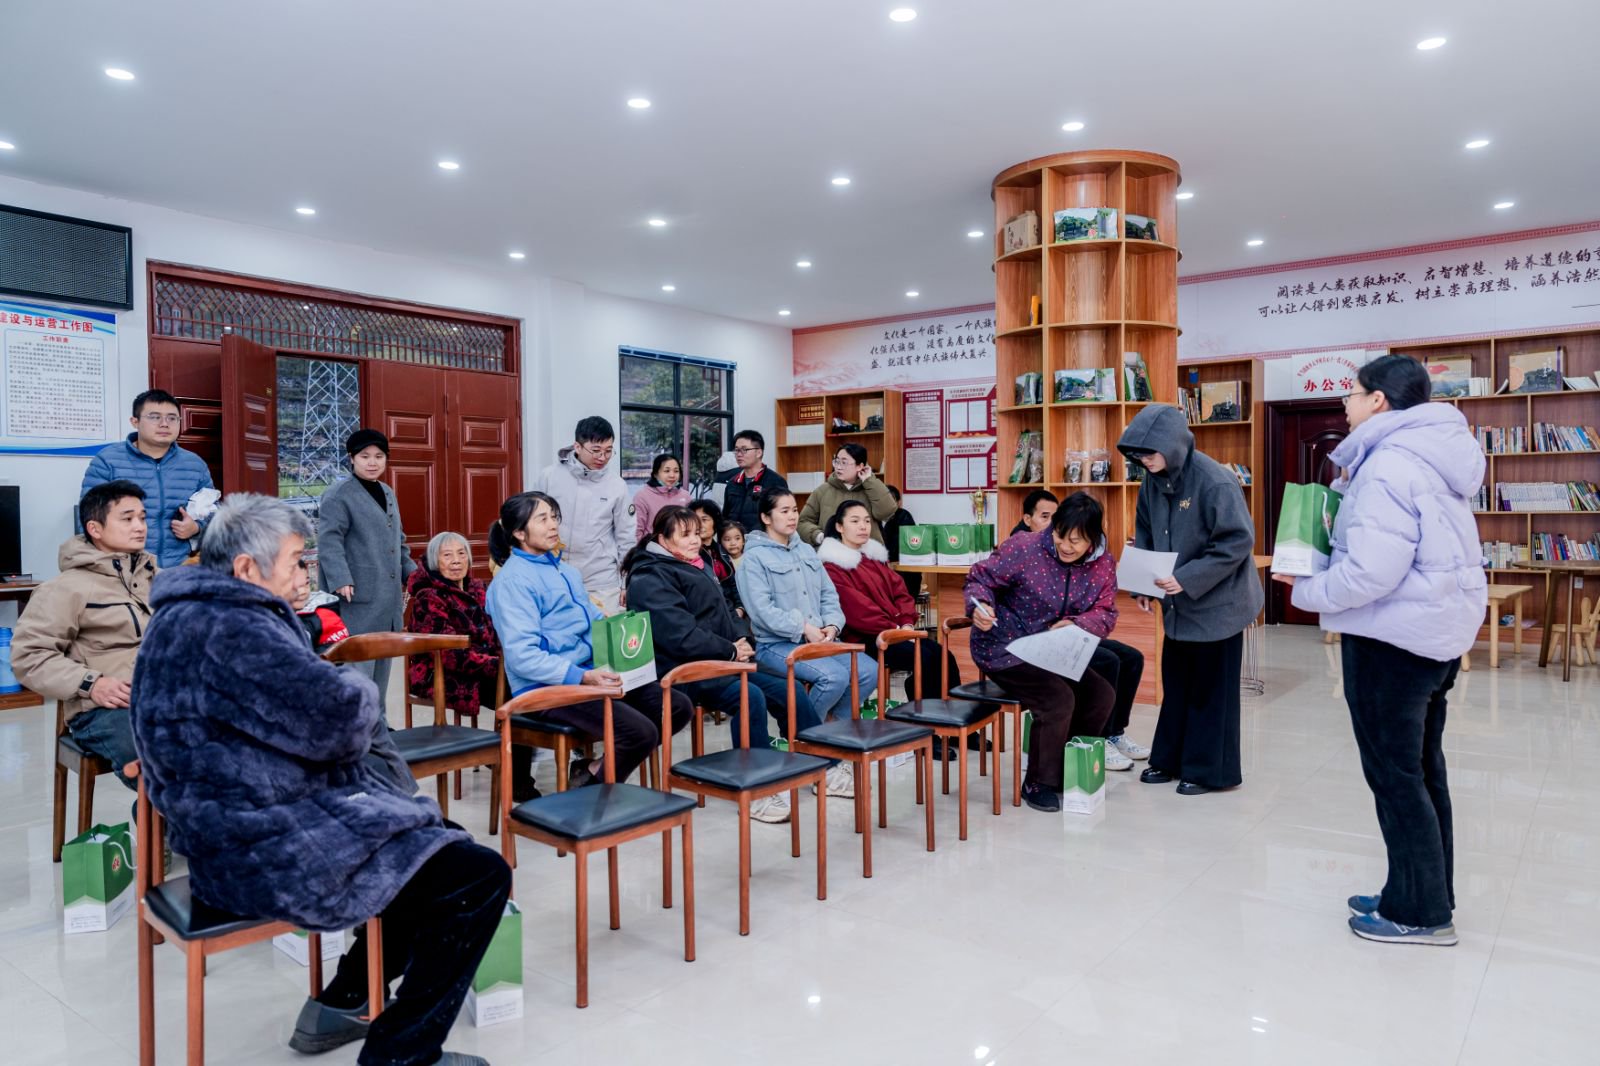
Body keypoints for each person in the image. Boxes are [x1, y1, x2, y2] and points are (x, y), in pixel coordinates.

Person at [129, 493, 505, 1066]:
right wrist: (353, 685)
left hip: (235, 828)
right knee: (476, 875)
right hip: (263, 844)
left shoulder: (186, 615)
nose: (304, 573)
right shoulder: (235, 628)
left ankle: (345, 999)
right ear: (247, 568)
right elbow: (341, 719)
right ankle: (401, 1055)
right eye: (295, 561)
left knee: (433, 848)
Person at [1275, 354, 1486, 947]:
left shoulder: (1388, 465)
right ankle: (1420, 892)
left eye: (1352, 393)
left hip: (1391, 640)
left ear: (1379, 401)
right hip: (1433, 636)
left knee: (1396, 777)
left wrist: (1306, 590)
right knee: (1422, 770)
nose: (1345, 404)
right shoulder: (1434, 455)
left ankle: (1419, 913)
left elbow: (1372, 573)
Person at [484, 491, 690, 796]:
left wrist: (624, 640)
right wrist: (582, 676)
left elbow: (595, 621)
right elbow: (522, 657)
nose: (553, 525)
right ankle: (587, 801)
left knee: (676, 707)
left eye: (554, 517)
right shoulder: (512, 582)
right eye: (542, 519)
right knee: (639, 733)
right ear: (519, 532)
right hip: (549, 687)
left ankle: (594, 770)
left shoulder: (565, 571)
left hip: (592, 673)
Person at [622, 505, 818, 824]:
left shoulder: (698, 562)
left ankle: (821, 765)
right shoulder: (649, 576)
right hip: (684, 670)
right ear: (662, 538)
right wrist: (729, 650)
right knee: (749, 697)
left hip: (724, 658)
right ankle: (756, 789)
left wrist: (742, 640)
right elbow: (679, 636)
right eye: (685, 535)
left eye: (696, 533)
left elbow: (728, 609)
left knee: (789, 688)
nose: (694, 540)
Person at [1117, 404, 1263, 797]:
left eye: (1150, 453)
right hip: (1177, 605)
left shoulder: (1215, 481)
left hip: (1220, 605)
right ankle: (1168, 760)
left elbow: (1237, 541)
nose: (1144, 462)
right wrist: (1145, 586)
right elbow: (1145, 532)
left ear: (1173, 445)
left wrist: (1184, 578)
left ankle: (1207, 770)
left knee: (1211, 692)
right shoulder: (1152, 481)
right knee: (1178, 685)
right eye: (1138, 455)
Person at [964, 492, 1121, 812]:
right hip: (1004, 646)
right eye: (1060, 535)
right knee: (1057, 699)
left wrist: (1077, 623)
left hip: (1053, 649)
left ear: (1093, 539)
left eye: (1076, 541)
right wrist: (979, 607)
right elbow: (980, 578)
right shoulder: (1025, 547)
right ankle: (1038, 782)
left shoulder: (1103, 564)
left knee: (1101, 694)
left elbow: (1106, 613)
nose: (1066, 546)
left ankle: (1066, 769)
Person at [11, 480, 157, 787]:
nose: (140, 526)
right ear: (95, 528)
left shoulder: (158, 579)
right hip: (106, 709)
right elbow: (29, 657)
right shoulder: (66, 588)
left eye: (143, 518)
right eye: (127, 518)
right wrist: (91, 683)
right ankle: (165, 814)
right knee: (161, 760)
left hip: (167, 695)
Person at [737, 489, 875, 799]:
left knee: (868, 671)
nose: (792, 516)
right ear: (766, 517)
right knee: (833, 677)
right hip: (777, 644)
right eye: (784, 511)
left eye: (794, 510)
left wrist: (832, 624)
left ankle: (827, 734)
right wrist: (802, 628)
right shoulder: (754, 558)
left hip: (820, 637)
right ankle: (809, 746)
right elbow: (761, 610)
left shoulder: (806, 550)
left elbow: (828, 594)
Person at [817, 499, 962, 706]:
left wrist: (907, 623)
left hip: (896, 631)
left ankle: (953, 718)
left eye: (867, 521)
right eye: (855, 521)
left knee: (943, 655)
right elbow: (859, 612)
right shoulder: (833, 566)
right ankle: (928, 718)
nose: (863, 526)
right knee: (925, 658)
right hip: (866, 637)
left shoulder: (873, 558)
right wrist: (896, 630)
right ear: (840, 527)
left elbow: (901, 593)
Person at [316, 429, 416, 709]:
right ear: (351, 458)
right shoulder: (338, 495)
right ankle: (359, 727)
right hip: (355, 599)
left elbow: (399, 542)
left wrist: (414, 575)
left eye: (379, 456)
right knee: (357, 673)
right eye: (365, 456)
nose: (372, 462)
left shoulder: (387, 492)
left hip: (386, 600)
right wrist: (340, 578)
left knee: (381, 671)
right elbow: (329, 540)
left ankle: (378, 726)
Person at [80, 388, 215, 569]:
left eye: (172, 418)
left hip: (178, 567)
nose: (164, 424)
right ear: (135, 422)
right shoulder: (108, 460)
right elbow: (89, 516)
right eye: (154, 417)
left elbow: (215, 513)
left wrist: (196, 528)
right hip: (123, 568)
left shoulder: (195, 465)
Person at [530, 416, 633, 615]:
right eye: (596, 450)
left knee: (602, 634)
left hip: (601, 581)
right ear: (577, 446)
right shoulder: (549, 477)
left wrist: (626, 582)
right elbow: (530, 521)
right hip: (555, 576)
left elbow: (626, 536)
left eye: (608, 451)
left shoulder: (617, 486)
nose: (602, 457)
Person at [406, 532, 501, 724]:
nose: (456, 560)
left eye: (461, 553)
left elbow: (498, 630)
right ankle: (513, 743)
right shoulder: (429, 597)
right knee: (515, 688)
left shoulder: (478, 588)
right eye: (447, 555)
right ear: (435, 561)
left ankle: (519, 740)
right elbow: (448, 653)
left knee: (529, 682)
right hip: (441, 673)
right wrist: (498, 665)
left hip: (484, 667)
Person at [797, 443, 898, 547]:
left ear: (860, 466)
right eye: (837, 461)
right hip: (831, 552)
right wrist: (819, 536)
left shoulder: (871, 489)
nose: (838, 467)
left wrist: (869, 481)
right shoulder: (822, 491)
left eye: (844, 463)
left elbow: (887, 512)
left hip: (867, 552)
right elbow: (803, 522)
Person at [717, 429, 789, 533]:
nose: (739, 454)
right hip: (735, 541)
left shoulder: (775, 482)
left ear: (759, 452)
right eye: (736, 450)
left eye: (744, 450)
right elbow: (726, 518)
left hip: (763, 540)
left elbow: (783, 518)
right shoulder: (732, 483)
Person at [690, 498, 744, 615]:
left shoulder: (721, 550)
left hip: (732, 611)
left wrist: (740, 607)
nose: (699, 524)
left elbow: (733, 583)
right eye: (695, 520)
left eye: (704, 519)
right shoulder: (691, 554)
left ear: (715, 521)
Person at [633, 453, 691, 544]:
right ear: (656, 474)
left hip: (681, 548)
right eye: (667, 471)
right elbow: (636, 532)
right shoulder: (642, 496)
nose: (672, 475)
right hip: (652, 550)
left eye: (676, 471)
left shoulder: (685, 496)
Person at [882, 484, 922, 600]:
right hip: (887, 570)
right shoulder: (874, 518)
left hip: (904, 573)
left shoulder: (904, 516)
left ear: (899, 502)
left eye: (890, 500)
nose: (886, 505)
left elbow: (898, 547)